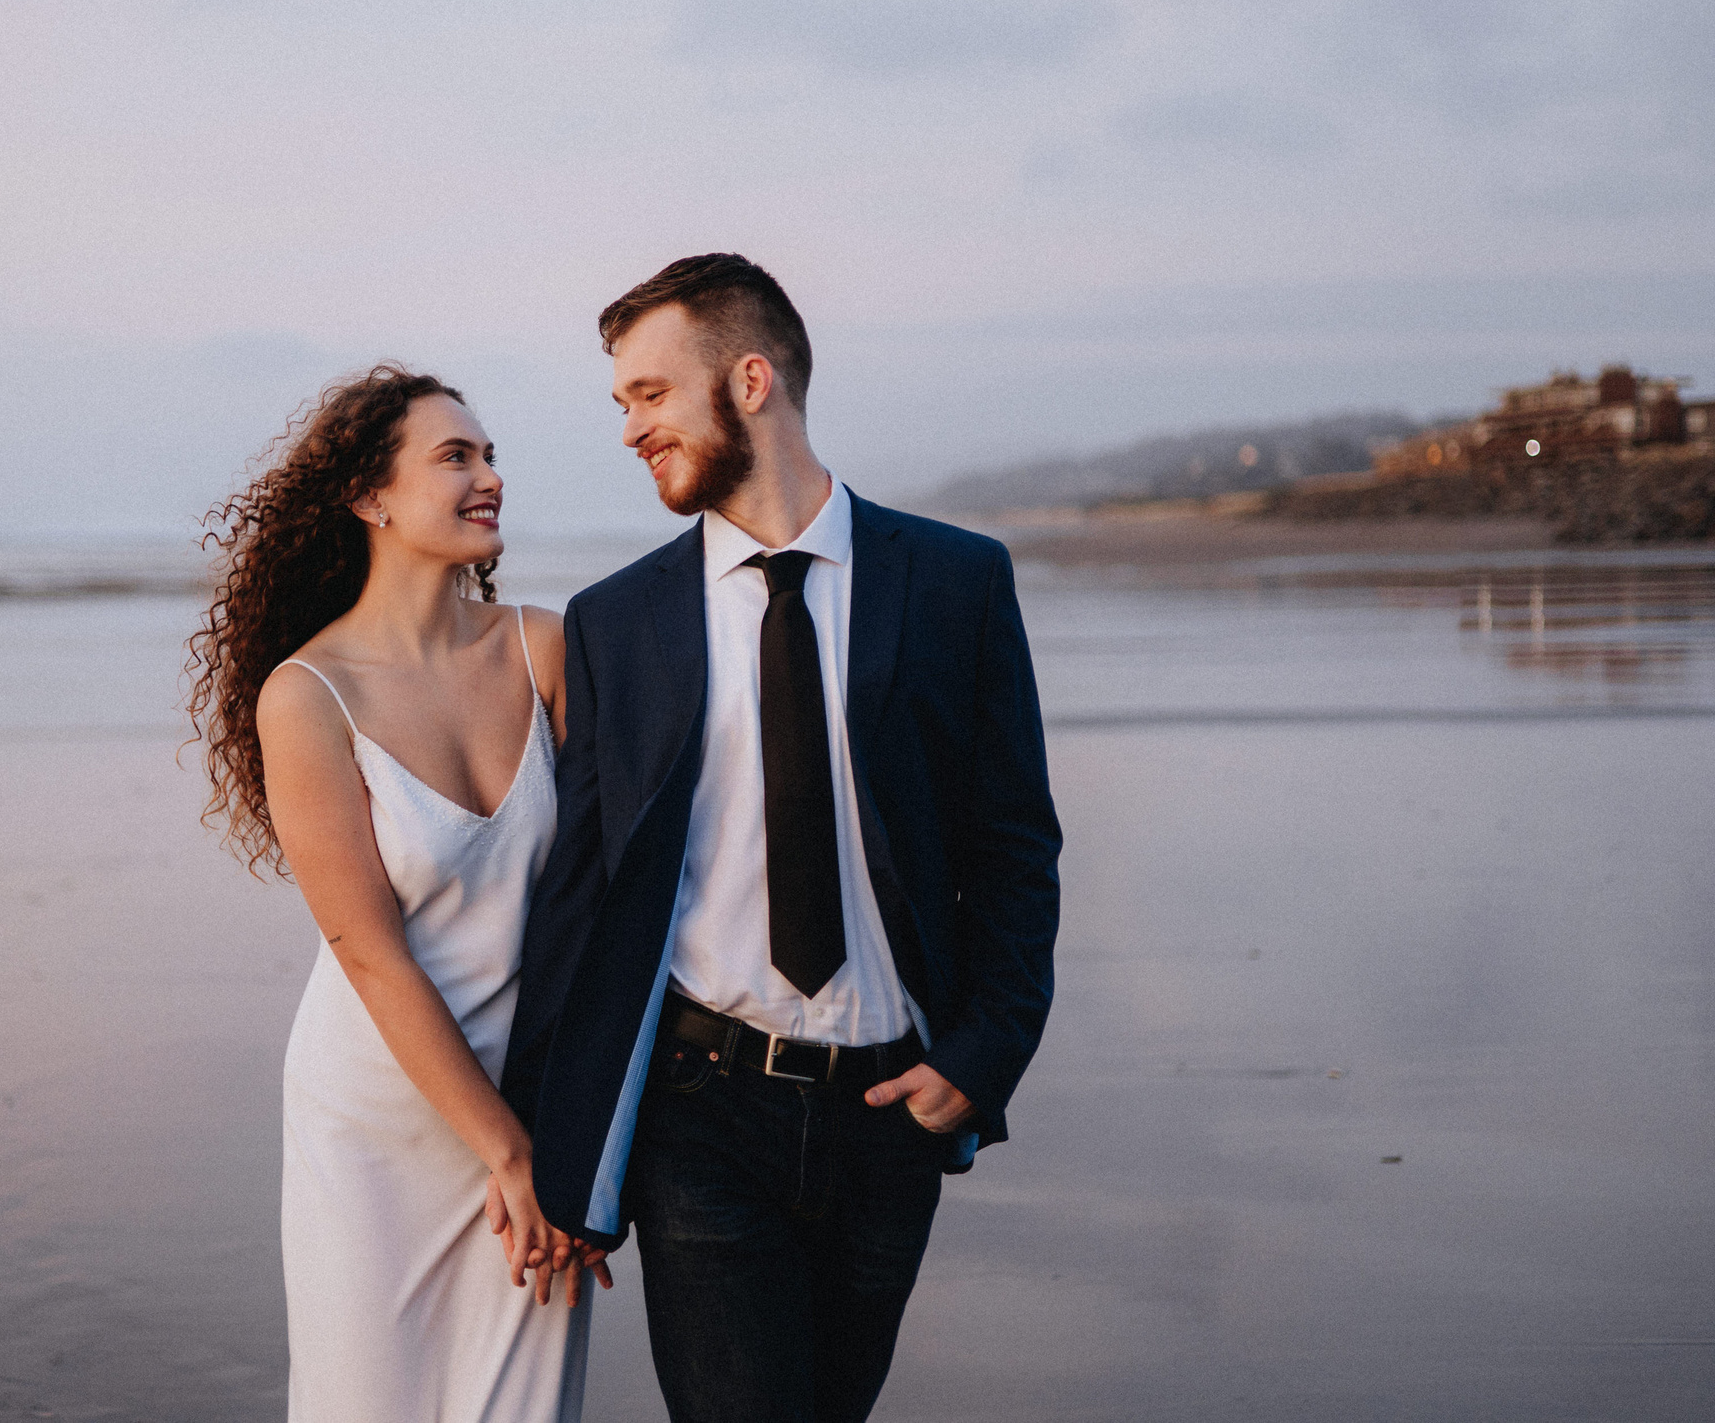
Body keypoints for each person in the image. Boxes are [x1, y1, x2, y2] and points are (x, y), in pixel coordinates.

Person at [503, 255, 1062, 1423]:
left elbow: (1014, 845)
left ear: (749, 380)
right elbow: (582, 896)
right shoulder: (620, 621)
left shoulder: (956, 581)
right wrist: (551, 1143)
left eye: (650, 395)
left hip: (893, 1112)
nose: (630, 430)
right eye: (622, 404)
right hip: (700, 1110)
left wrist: (985, 1052)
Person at [187, 365, 608, 1423]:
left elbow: (612, 891)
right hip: (379, 1120)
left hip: (531, 1101)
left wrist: (558, 1139)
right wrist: (503, 1146)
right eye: (455, 457)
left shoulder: (545, 646)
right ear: (370, 497)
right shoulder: (308, 694)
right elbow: (368, 950)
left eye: (491, 455)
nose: (490, 478)